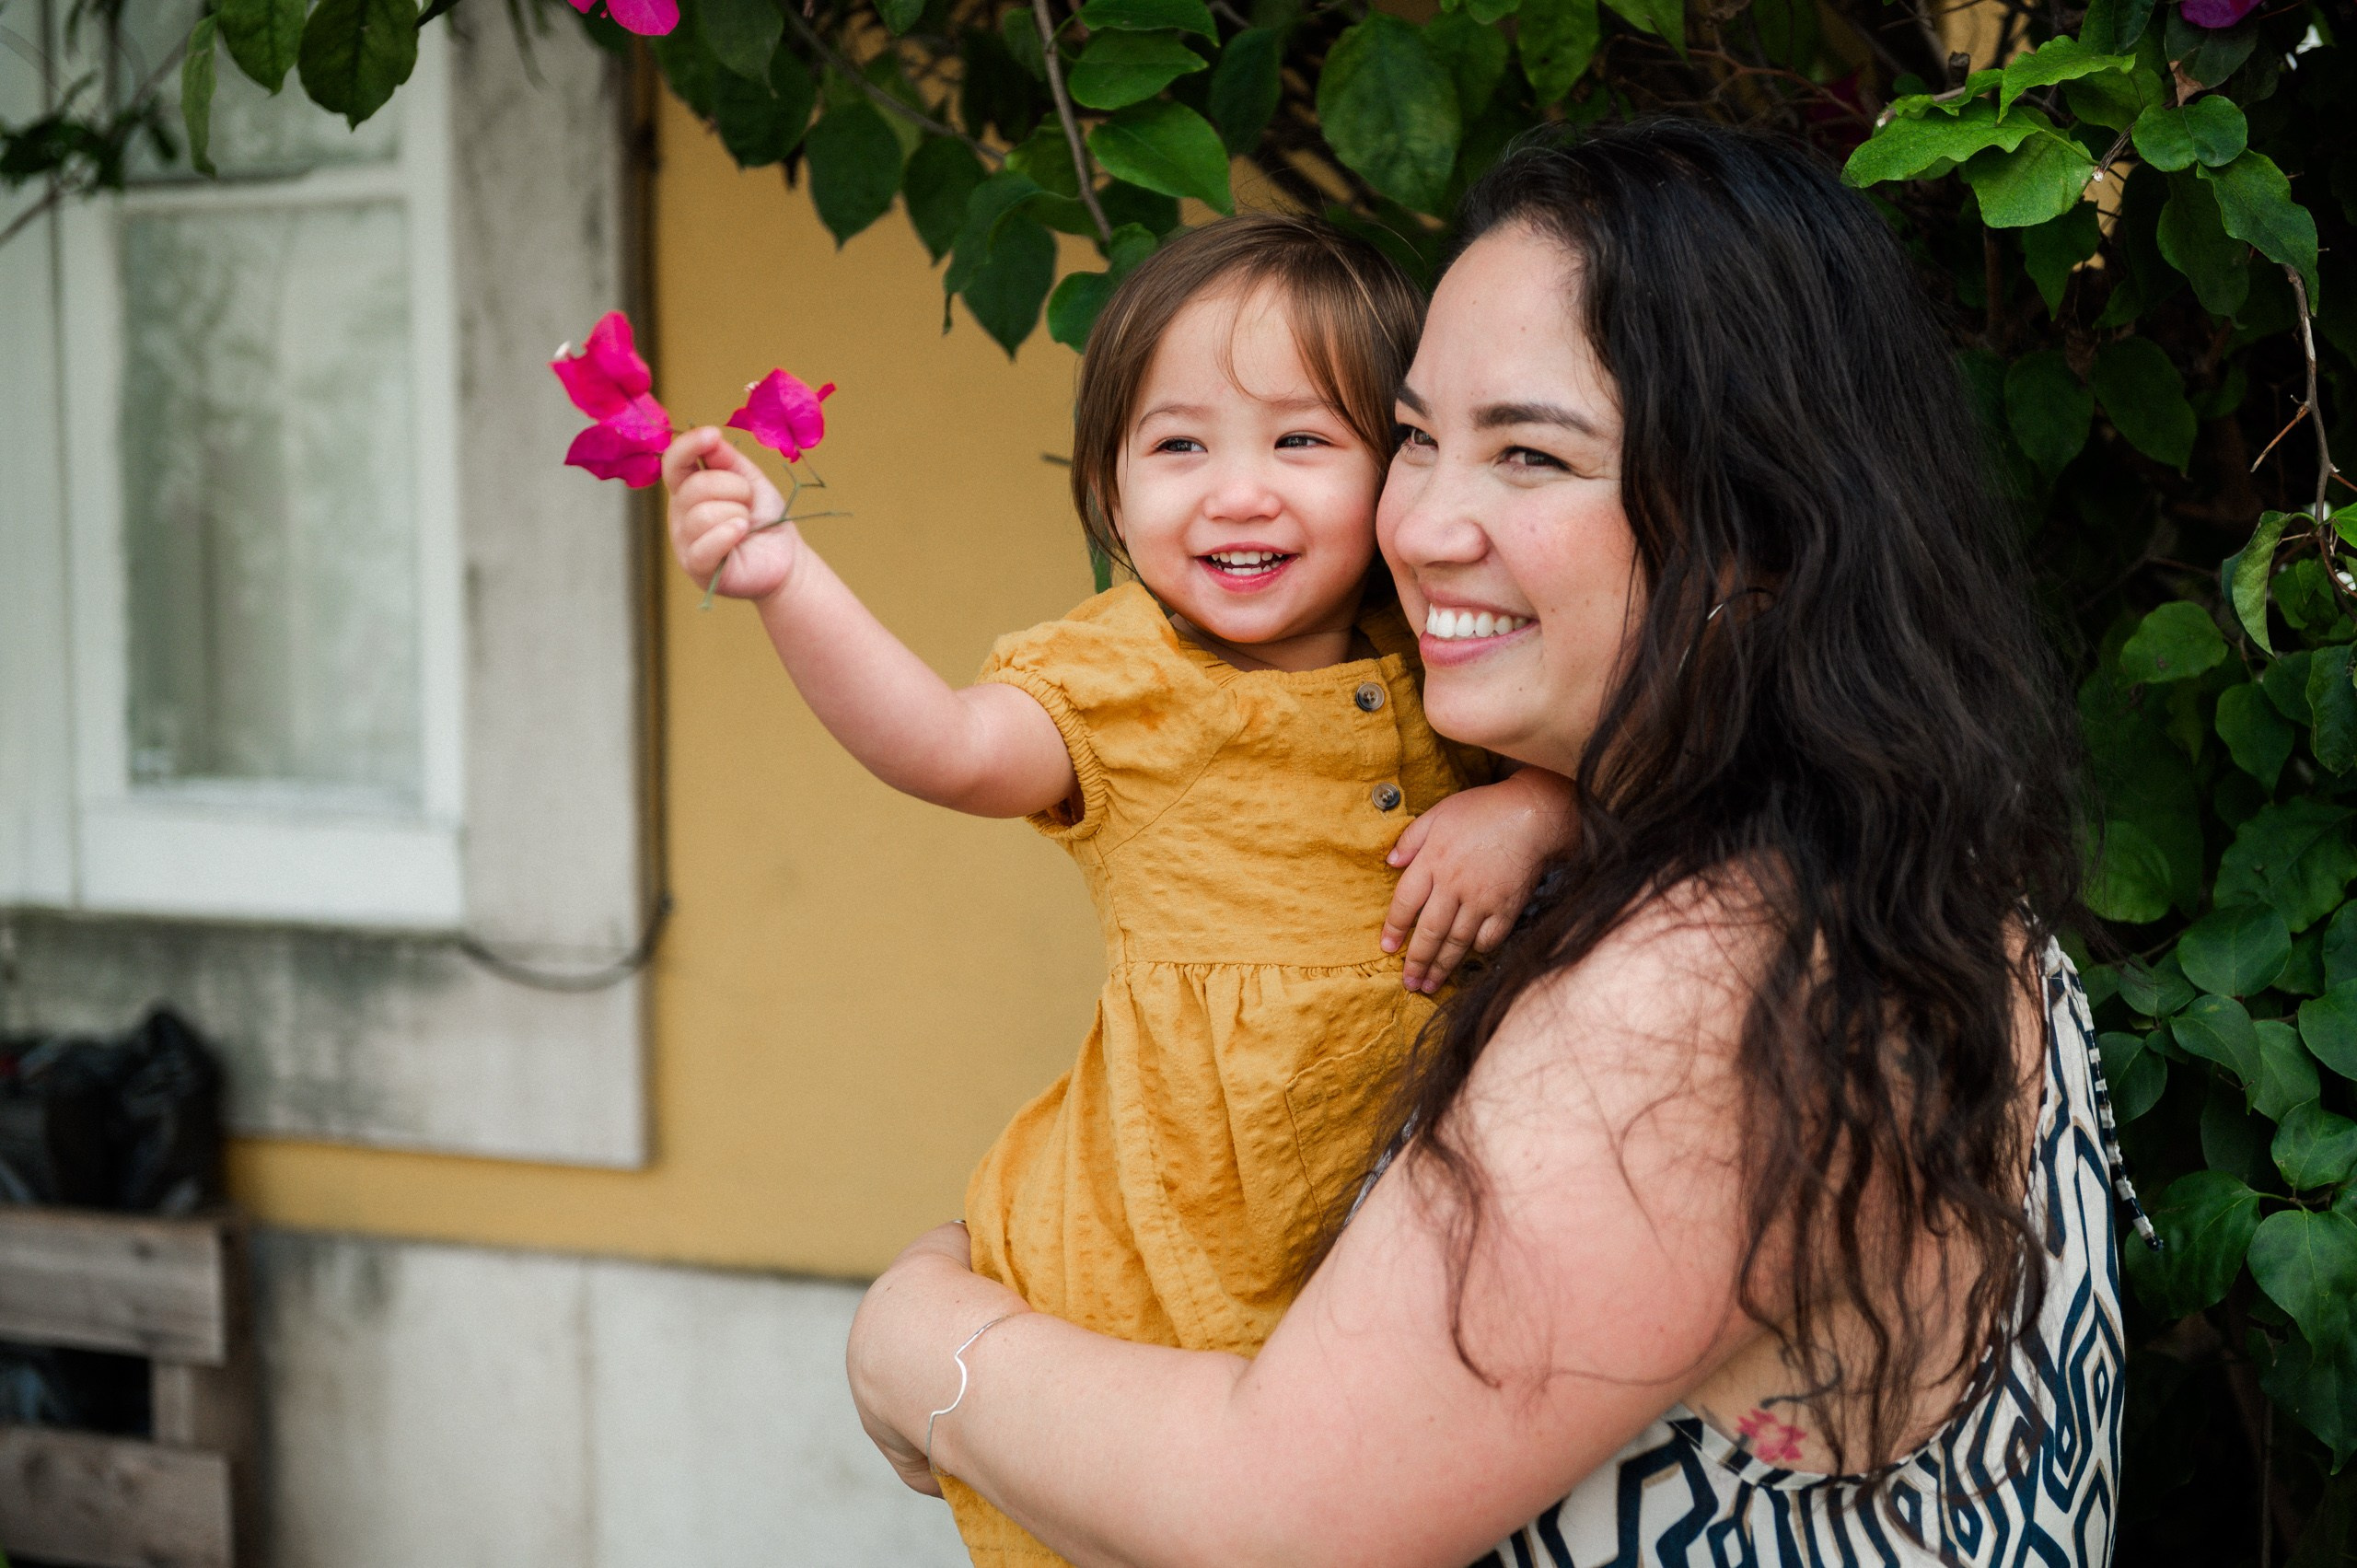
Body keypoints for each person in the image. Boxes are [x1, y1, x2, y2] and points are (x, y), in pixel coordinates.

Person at [845, 122, 2142, 1567]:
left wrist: (922, 1345)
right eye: (1411, 439)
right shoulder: (1891, 875)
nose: (1421, 523)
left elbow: (1281, 1520)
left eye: (1529, 453)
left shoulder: (1702, 999)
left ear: (1762, 530)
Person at [663, 214, 1579, 1566]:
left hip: (1390, 1208)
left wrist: (1535, 808)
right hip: (1177, 1227)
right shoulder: (1119, 676)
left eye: (1303, 441)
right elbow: (947, 745)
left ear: (1397, 476)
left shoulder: (1450, 650)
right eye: (1179, 445)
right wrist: (788, 582)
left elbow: (1621, 762)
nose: (1238, 492)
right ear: (1109, 482)